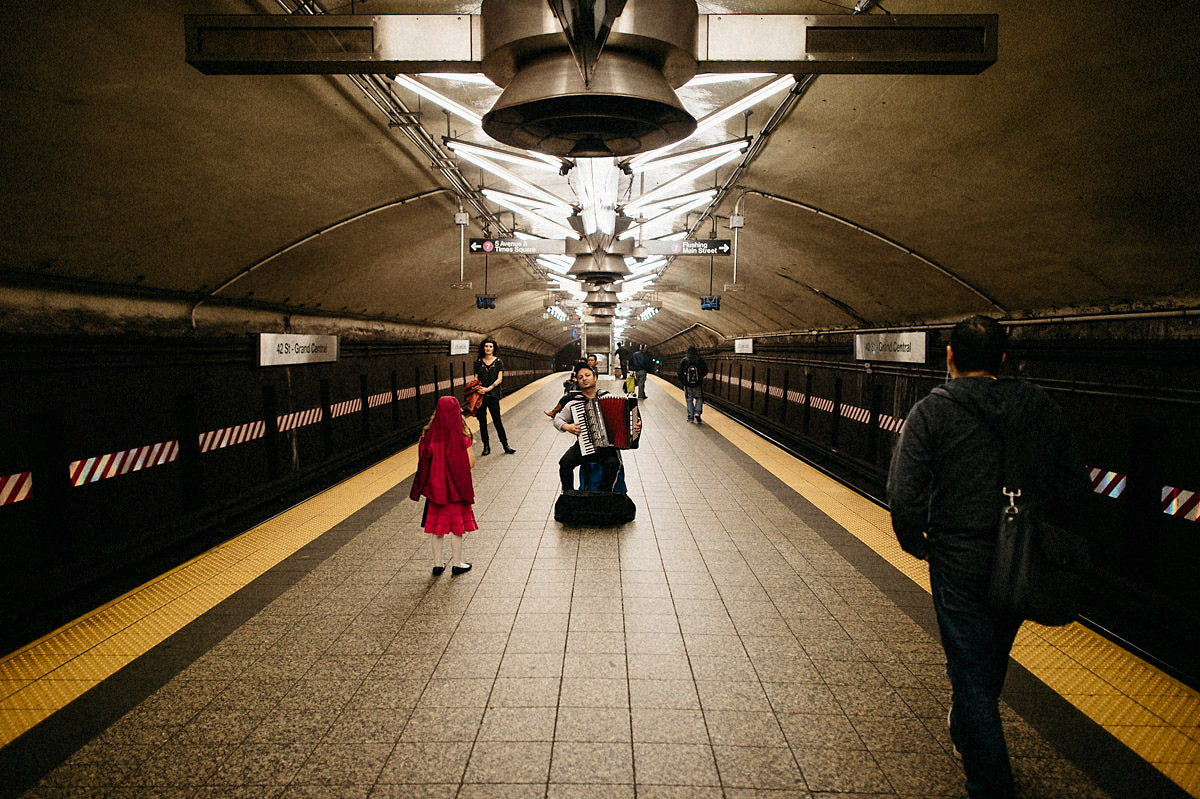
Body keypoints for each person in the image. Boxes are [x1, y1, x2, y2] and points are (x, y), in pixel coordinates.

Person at [887, 315, 1086, 799]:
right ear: (1002, 359)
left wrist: (916, 541)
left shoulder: (933, 411)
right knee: (991, 655)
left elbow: (904, 493)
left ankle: (990, 784)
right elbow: (1074, 489)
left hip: (958, 556)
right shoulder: (1041, 407)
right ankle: (969, 729)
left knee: (970, 669)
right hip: (1021, 554)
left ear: (949, 356)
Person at [409, 396, 477, 576]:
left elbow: (422, 464)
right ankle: (457, 563)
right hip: (456, 491)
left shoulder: (428, 437)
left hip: (436, 493)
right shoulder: (462, 438)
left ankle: (437, 564)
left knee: (437, 529)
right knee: (457, 529)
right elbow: (470, 463)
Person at [552, 364, 639, 492]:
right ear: (577, 381)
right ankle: (568, 494)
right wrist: (567, 426)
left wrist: (636, 425)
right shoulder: (573, 402)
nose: (584, 379)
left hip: (607, 447)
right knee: (565, 463)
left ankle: (603, 495)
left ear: (595, 378)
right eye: (580, 377)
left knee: (613, 464)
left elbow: (629, 417)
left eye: (587, 375)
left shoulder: (607, 397)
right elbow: (557, 419)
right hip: (584, 446)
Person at [473, 338, 515, 455]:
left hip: (493, 395)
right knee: (482, 422)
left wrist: (488, 389)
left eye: (490, 346)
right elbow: (475, 378)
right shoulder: (478, 362)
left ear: (494, 349)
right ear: (483, 348)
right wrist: (478, 389)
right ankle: (486, 446)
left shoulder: (498, 362)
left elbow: (499, 379)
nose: (488, 348)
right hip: (481, 395)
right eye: (486, 346)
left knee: (497, 421)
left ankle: (505, 445)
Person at [676, 345, 708, 423]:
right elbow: (706, 370)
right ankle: (697, 412)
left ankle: (690, 417)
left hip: (687, 385)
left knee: (689, 400)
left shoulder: (684, 360)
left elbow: (679, 372)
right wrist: (700, 378)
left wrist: (683, 381)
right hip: (698, 384)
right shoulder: (700, 360)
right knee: (699, 398)